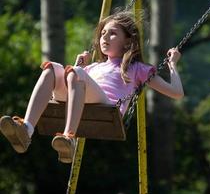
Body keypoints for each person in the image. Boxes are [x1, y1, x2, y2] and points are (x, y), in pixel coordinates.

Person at [0, 10, 184, 164]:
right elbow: (71, 88)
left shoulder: (136, 69)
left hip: (106, 105)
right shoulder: (93, 67)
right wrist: (78, 65)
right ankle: (26, 130)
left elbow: (176, 93)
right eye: (103, 33)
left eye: (112, 33)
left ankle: (69, 138)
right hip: (85, 95)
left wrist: (173, 65)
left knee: (76, 73)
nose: (105, 37)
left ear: (127, 41)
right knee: (52, 69)